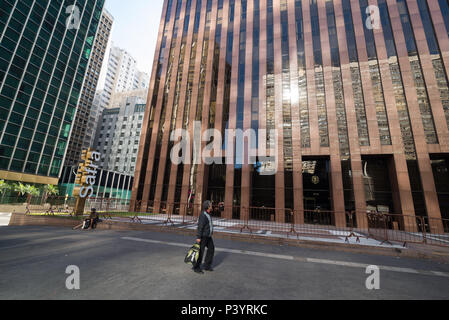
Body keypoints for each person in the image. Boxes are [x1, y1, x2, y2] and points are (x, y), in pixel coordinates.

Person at [193, 200, 215, 274]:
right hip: (203, 236)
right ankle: (196, 267)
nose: (212, 206)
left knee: (211, 248)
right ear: (208, 206)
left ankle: (207, 265)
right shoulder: (203, 215)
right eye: (211, 205)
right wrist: (198, 237)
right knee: (200, 251)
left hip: (208, 236)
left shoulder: (208, 214)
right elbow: (200, 226)